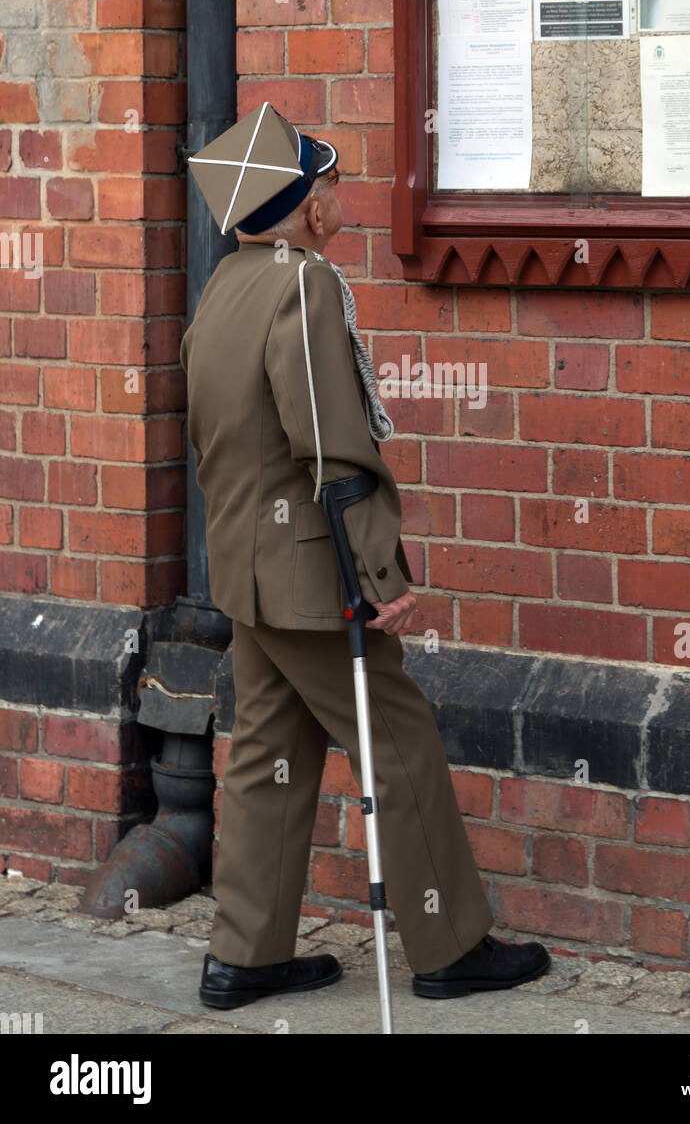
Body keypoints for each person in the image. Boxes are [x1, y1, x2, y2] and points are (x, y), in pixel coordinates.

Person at [179, 102, 551, 1010]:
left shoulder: (226, 286)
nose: (343, 197)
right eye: (332, 182)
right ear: (307, 206)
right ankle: (449, 943)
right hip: (311, 573)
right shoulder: (300, 286)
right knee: (399, 743)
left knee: (270, 751)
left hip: (248, 572)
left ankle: (246, 955)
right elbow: (333, 453)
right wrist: (382, 581)